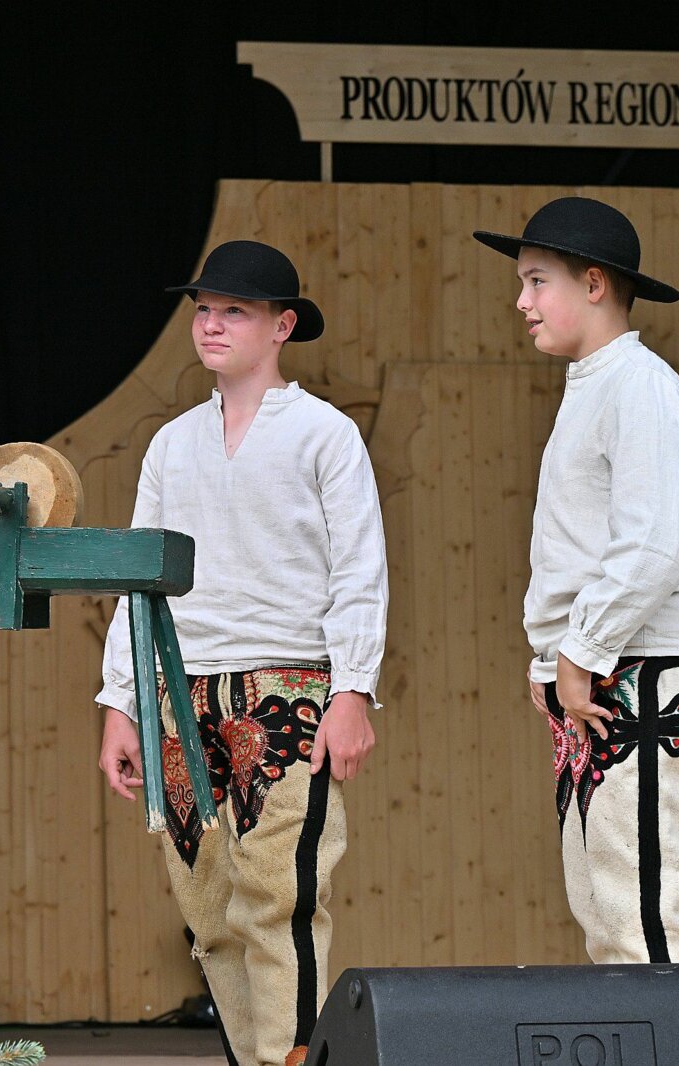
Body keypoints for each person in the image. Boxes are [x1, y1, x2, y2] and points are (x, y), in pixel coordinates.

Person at [95, 241, 388, 1066]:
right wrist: (121, 702)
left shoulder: (326, 434)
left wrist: (352, 690)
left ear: (282, 326)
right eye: (203, 309)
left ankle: (289, 1059)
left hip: (290, 686)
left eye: (236, 311)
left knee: (282, 893)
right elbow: (140, 578)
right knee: (207, 906)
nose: (212, 324)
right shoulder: (170, 443)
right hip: (180, 688)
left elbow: (360, 568)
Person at [473, 197, 679, 964]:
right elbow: (583, 548)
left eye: (537, 281)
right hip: (610, 668)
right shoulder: (597, 383)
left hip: (649, 670)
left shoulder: (638, 384)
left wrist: (579, 649)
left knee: (648, 914)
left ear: (594, 284)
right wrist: (553, 656)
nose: (521, 301)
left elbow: (654, 543)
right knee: (609, 909)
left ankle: (677, 1034)